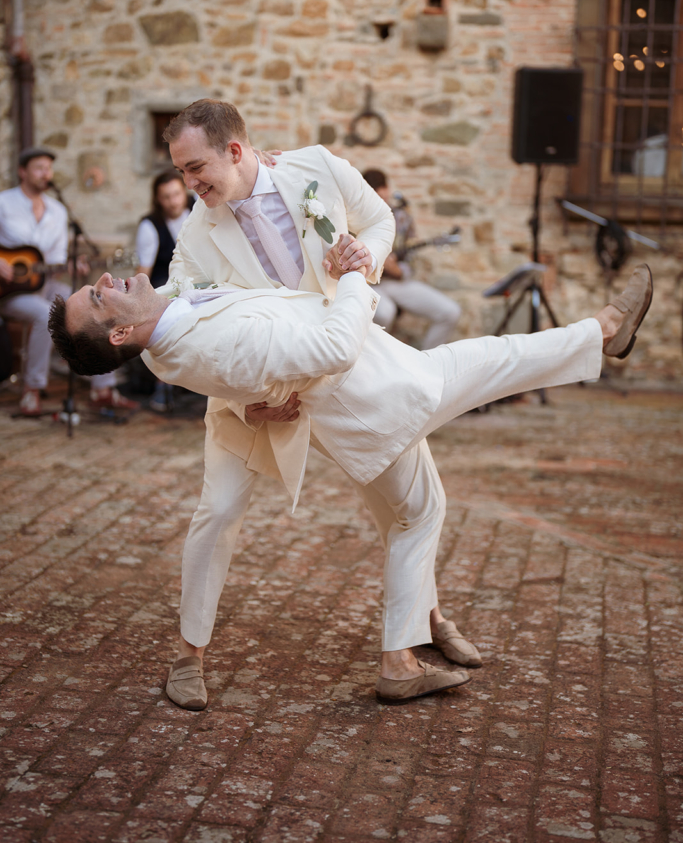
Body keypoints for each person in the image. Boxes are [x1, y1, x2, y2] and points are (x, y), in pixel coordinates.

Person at [49, 259, 653, 706]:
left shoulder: (166, 335)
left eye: (94, 286)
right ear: (119, 335)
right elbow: (332, 344)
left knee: (425, 503)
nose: (104, 283)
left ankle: (404, 654)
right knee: (494, 364)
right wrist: (355, 277)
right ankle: (603, 330)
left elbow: (233, 363)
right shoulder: (191, 341)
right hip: (380, 398)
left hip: (372, 399)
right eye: (97, 300)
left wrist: (253, 401)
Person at [0, 146, 134, 415]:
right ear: (22, 172)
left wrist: (72, 266)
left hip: (43, 284)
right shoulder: (3, 203)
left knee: (93, 307)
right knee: (43, 314)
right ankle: (32, 390)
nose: (45, 174)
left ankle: (103, 388)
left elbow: (56, 260)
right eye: (39, 168)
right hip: (9, 292)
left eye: (48, 169)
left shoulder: (58, 211)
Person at [363, 168, 462, 350]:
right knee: (385, 313)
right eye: (375, 192)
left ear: (387, 190)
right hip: (367, 284)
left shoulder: (402, 218)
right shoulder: (354, 218)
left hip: (395, 281)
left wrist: (397, 270)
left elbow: (411, 262)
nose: (381, 197)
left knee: (450, 312)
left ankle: (426, 362)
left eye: (383, 191)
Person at [135, 170, 193, 411]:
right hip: (166, 283)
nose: (173, 202)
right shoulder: (149, 226)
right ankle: (164, 382)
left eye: (177, 194)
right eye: (166, 197)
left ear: (184, 191)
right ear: (158, 199)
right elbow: (143, 273)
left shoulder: (201, 206)